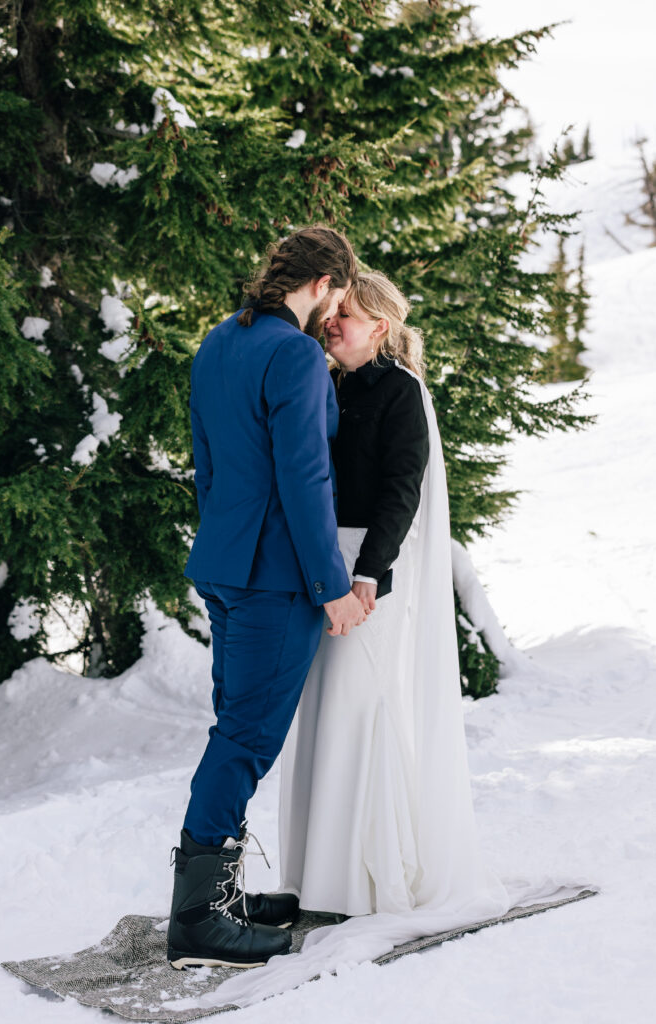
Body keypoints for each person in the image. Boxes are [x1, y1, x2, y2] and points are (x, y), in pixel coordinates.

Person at [279, 271, 511, 921]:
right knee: (324, 715)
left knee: (359, 712)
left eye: (344, 314)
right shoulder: (328, 383)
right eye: (329, 312)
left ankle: (363, 882)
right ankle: (314, 878)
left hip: (365, 572)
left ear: (379, 326)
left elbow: (400, 492)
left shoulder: (399, 391)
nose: (331, 322)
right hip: (318, 567)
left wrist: (366, 575)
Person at [166, 227, 367, 970]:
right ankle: (195, 919)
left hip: (223, 563)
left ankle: (217, 896)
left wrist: (221, 547)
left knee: (235, 725)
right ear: (324, 285)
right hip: (275, 577)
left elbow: (207, 464)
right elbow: (305, 478)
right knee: (246, 737)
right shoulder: (293, 353)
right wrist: (332, 588)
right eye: (339, 296)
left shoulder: (220, 342)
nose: (336, 310)